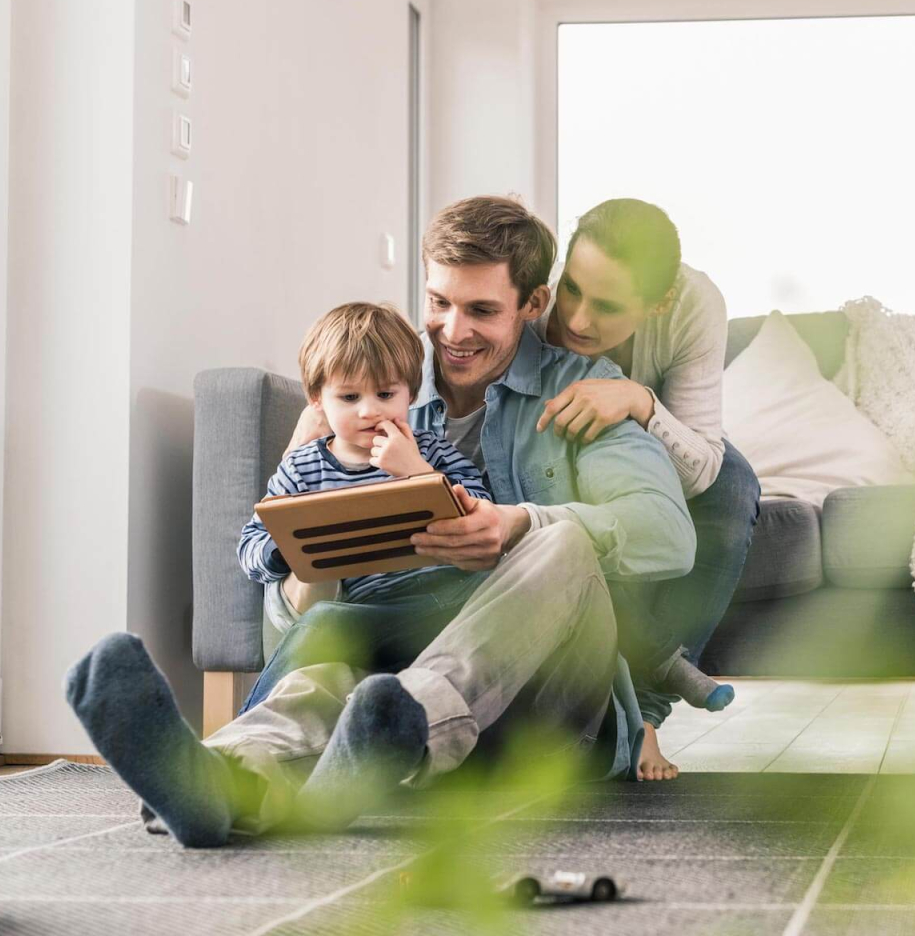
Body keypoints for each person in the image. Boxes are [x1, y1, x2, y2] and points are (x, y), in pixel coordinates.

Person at [64, 195, 694, 847]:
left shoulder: (585, 391)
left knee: (558, 538)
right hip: (380, 708)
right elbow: (290, 615)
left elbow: (667, 534)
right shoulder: (379, 402)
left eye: (481, 310)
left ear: (533, 304)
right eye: (440, 302)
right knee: (334, 640)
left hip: (548, 712)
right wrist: (306, 549)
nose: (452, 331)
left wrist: (515, 523)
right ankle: (224, 779)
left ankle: (411, 720)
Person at [535, 199, 761, 780]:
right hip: (558, 447)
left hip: (654, 447)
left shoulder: (694, 305)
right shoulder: (535, 287)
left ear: (657, 303)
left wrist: (639, 403)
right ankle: (638, 688)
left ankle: (646, 720)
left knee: (735, 484)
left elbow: (704, 463)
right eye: (573, 291)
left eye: (607, 306)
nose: (579, 321)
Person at [235, 300, 492, 705]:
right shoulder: (303, 467)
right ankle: (239, 748)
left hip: (437, 603)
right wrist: (289, 548)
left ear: (410, 393)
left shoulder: (430, 451)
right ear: (318, 399)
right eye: (350, 396)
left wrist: (417, 472)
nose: (370, 410)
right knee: (318, 626)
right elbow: (249, 546)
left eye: (386, 393)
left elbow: (482, 510)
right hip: (356, 612)